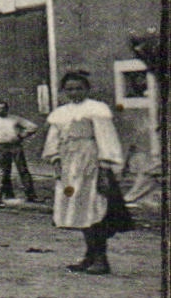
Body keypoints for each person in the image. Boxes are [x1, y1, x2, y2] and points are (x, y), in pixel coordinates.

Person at [43, 71, 128, 275]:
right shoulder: (60, 113)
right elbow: (53, 141)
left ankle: (101, 258)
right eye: (70, 89)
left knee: (94, 210)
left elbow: (106, 139)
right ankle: (89, 255)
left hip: (90, 164)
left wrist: (105, 168)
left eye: (79, 88)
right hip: (69, 166)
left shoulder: (96, 110)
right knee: (80, 211)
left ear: (87, 89)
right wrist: (56, 163)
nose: (74, 92)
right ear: (64, 91)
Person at [0, 100, 41, 203]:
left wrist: (22, 135)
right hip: (1, 147)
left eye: (2, 108)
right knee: (4, 171)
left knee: (23, 170)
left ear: (6, 109)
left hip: (15, 146)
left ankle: (31, 195)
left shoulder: (14, 119)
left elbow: (33, 127)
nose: (0, 110)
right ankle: (8, 194)